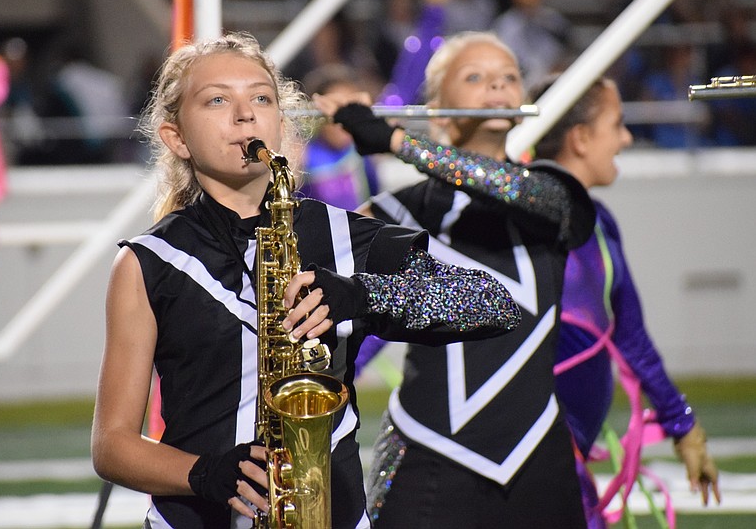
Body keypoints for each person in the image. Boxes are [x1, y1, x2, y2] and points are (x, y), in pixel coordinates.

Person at [90, 31, 522, 529]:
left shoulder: (343, 234)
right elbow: (111, 445)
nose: (245, 114)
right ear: (177, 137)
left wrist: (360, 295)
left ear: (280, 122)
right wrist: (205, 474)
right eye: (216, 100)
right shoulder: (149, 261)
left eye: (261, 97)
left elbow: (492, 303)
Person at [314, 31, 596, 528]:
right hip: (427, 445)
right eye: (476, 77)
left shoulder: (552, 195)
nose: (497, 88)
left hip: (537, 449)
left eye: (510, 78)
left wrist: (400, 142)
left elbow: (512, 190)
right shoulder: (394, 213)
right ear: (439, 110)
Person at [529, 75, 721, 526]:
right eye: (616, 125)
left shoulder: (600, 222)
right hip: (536, 453)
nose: (627, 138)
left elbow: (630, 336)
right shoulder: (524, 224)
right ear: (579, 138)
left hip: (567, 452)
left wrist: (684, 426)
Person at [298, 64, 380, 210]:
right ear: (317, 115)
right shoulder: (302, 159)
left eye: (351, 110)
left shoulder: (361, 154)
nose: (344, 122)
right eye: (335, 113)